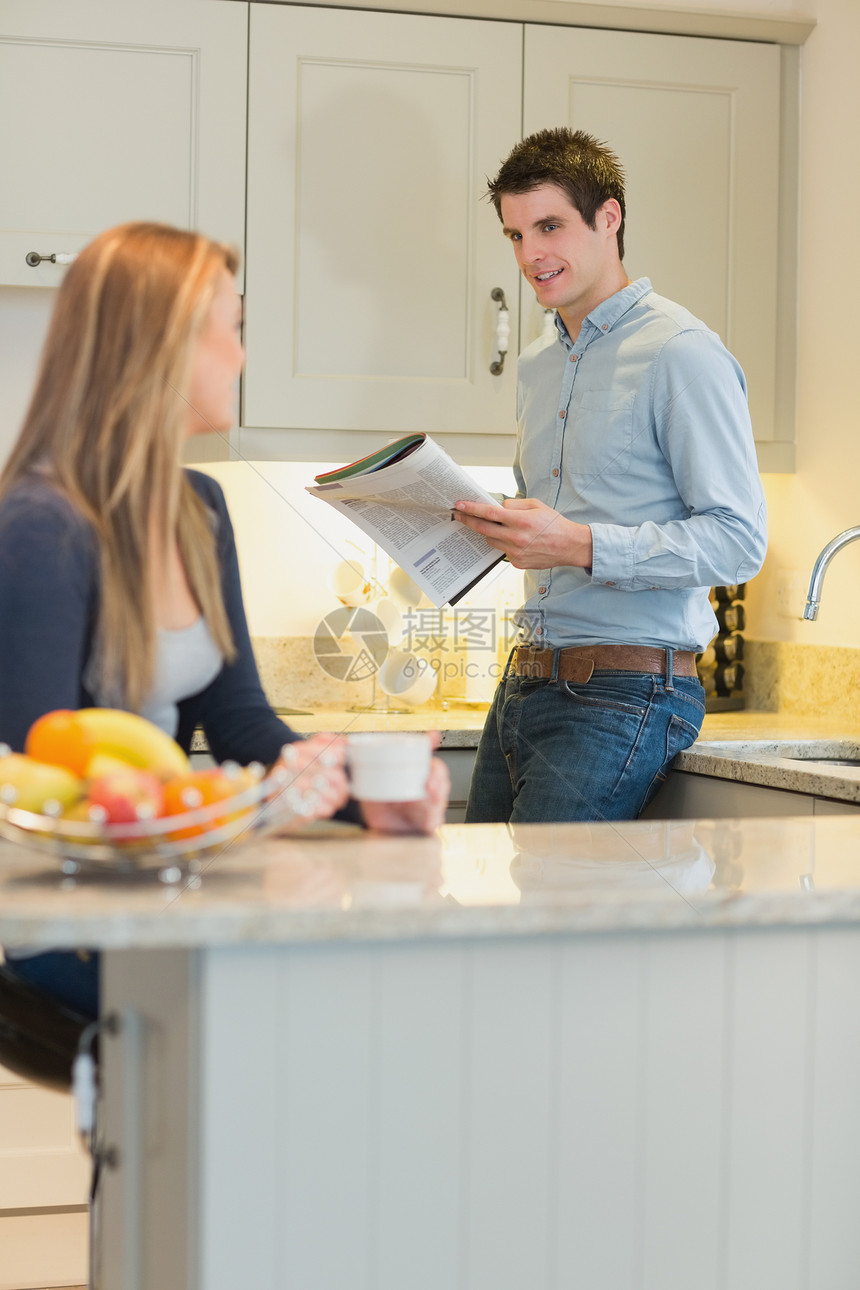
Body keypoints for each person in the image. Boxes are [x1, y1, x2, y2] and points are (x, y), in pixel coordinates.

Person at [0, 221, 449, 1017]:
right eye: (230, 331)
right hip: (72, 924)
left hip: (169, 897)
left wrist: (353, 795)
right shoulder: (43, 526)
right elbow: (46, 775)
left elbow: (239, 722)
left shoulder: (198, 509)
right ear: (162, 346)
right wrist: (242, 807)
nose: (242, 358)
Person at [454, 128, 767, 824]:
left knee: (544, 923)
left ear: (609, 218)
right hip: (523, 683)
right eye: (514, 234)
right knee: (471, 918)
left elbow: (739, 541)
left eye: (550, 226)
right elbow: (563, 518)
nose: (530, 254)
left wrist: (576, 545)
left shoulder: (681, 353)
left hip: (626, 691)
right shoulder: (539, 364)